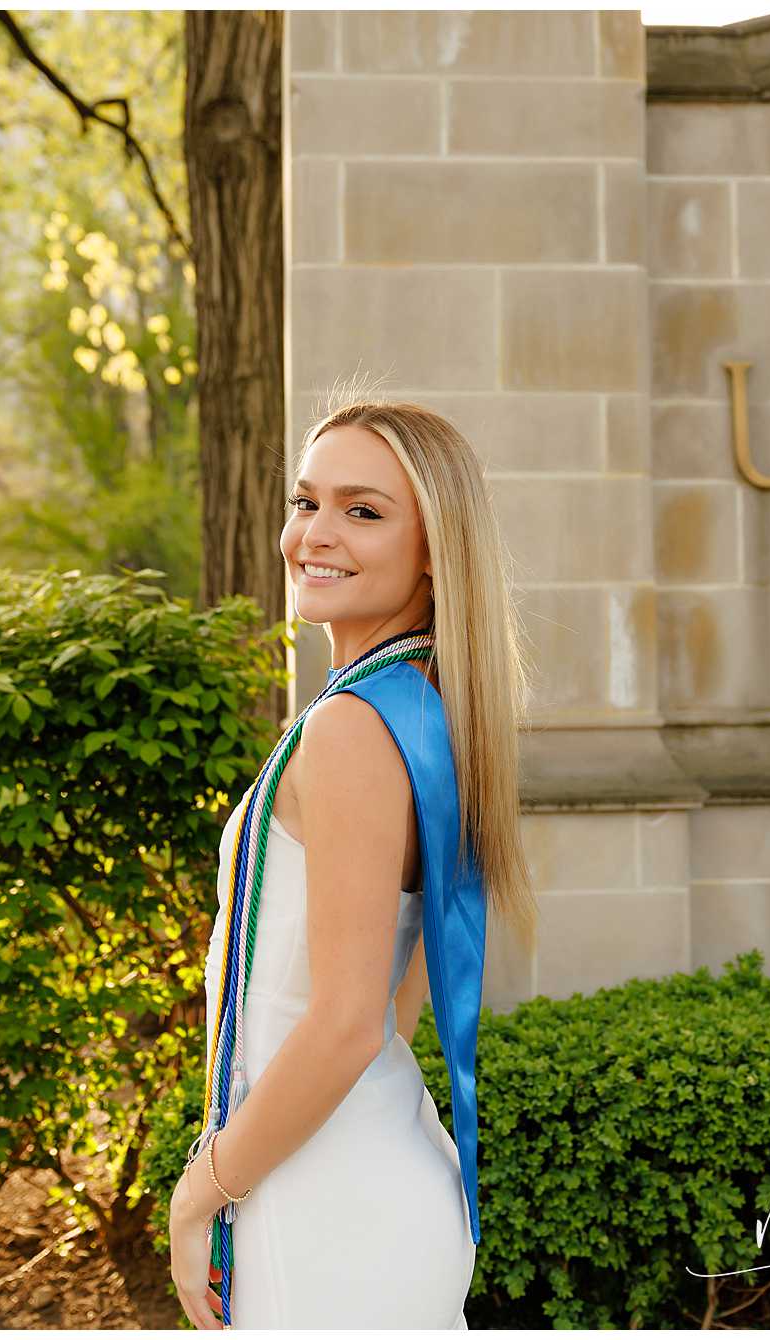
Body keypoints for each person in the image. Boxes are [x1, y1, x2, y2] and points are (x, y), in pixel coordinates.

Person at [167, 397, 538, 1328]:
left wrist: (198, 1193)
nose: (313, 535)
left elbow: (344, 1026)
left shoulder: (349, 730)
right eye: (306, 502)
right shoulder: (419, 711)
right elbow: (393, 999)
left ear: (431, 551)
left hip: (321, 1203)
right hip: (361, 1168)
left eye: (362, 511)